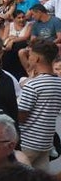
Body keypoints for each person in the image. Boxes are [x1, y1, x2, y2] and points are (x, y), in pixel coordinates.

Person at [16, 36, 61, 169]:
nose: (28, 58)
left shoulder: (33, 85)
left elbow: (22, 116)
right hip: (46, 142)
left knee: (20, 180)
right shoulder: (59, 83)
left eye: (30, 55)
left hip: (28, 142)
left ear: (36, 59)